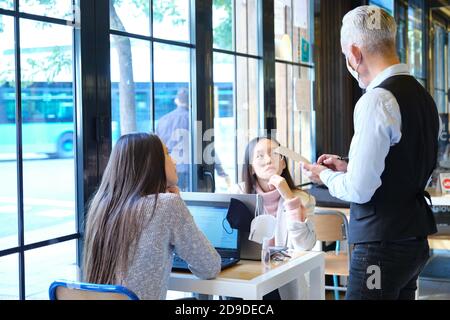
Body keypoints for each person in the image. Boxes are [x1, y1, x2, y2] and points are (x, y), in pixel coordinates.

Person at [303, 5, 439, 300]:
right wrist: (348, 165)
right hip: (412, 242)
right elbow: (402, 161)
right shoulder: (423, 96)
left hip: (380, 249)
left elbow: (360, 190)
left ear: (354, 53)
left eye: (344, 55)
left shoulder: (376, 100)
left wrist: (324, 174)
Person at [83, 133, 221, 299]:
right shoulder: (167, 205)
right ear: (150, 163)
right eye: (168, 154)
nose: (174, 161)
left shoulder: (101, 206)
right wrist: (176, 201)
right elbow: (209, 267)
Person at [231, 135, 316, 299]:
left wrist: (288, 196)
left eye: (274, 154)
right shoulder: (237, 194)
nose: (269, 160)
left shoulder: (303, 199)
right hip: (244, 275)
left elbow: (305, 245)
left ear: (283, 163)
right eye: (260, 155)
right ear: (251, 168)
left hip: (283, 278)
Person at [156, 87, 230, 191]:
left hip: (170, 171)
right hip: (192, 171)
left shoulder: (163, 121)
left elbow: (157, 150)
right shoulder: (195, 120)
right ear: (190, 101)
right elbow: (208, 149)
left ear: (176, 101)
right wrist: (221, 172)